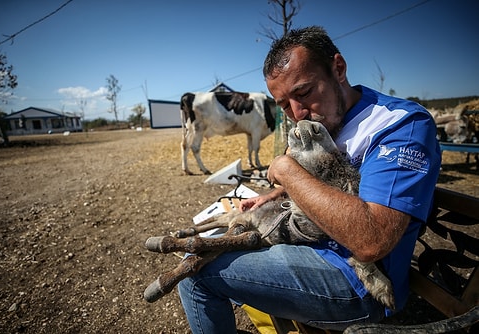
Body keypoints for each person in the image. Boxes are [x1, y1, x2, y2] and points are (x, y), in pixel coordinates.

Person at [178, 26, 441, 333]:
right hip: (305, 246)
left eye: (303, 93)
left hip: (355, 281)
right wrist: (272, 195)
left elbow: (371, 242)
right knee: (199, 249)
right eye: (284, 105)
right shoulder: (317, 119)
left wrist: (287, 171)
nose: (297, 113)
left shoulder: (398, 126)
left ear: (338, 69)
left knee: (196, 275)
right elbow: (319, 180)